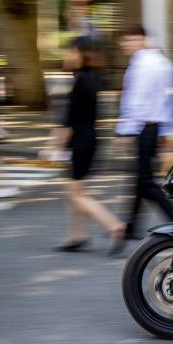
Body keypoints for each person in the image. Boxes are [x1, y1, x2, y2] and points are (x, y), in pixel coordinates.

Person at [57, 36, 126, 255]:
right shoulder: (91, 78)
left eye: (71, 51)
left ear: (81, 53)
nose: (68, 55)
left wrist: (55, 147)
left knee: (77, 195)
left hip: (80, 143)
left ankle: (114, 226)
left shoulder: (80, 81)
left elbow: (69, 121)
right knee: (73, 192)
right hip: (89, 141)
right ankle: (76, 235)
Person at [116, 26, 173, 239]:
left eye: (133, 39)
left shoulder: (140, 65)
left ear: (144, 40)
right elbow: (168, 101)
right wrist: (169, 131)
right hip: (154, 127)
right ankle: (131, 226)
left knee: (146, 182)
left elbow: (136, 101)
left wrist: (125, 131)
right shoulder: (163, 62)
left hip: (143, 127)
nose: (128, 44)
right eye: (125, 40)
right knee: (140, 179)